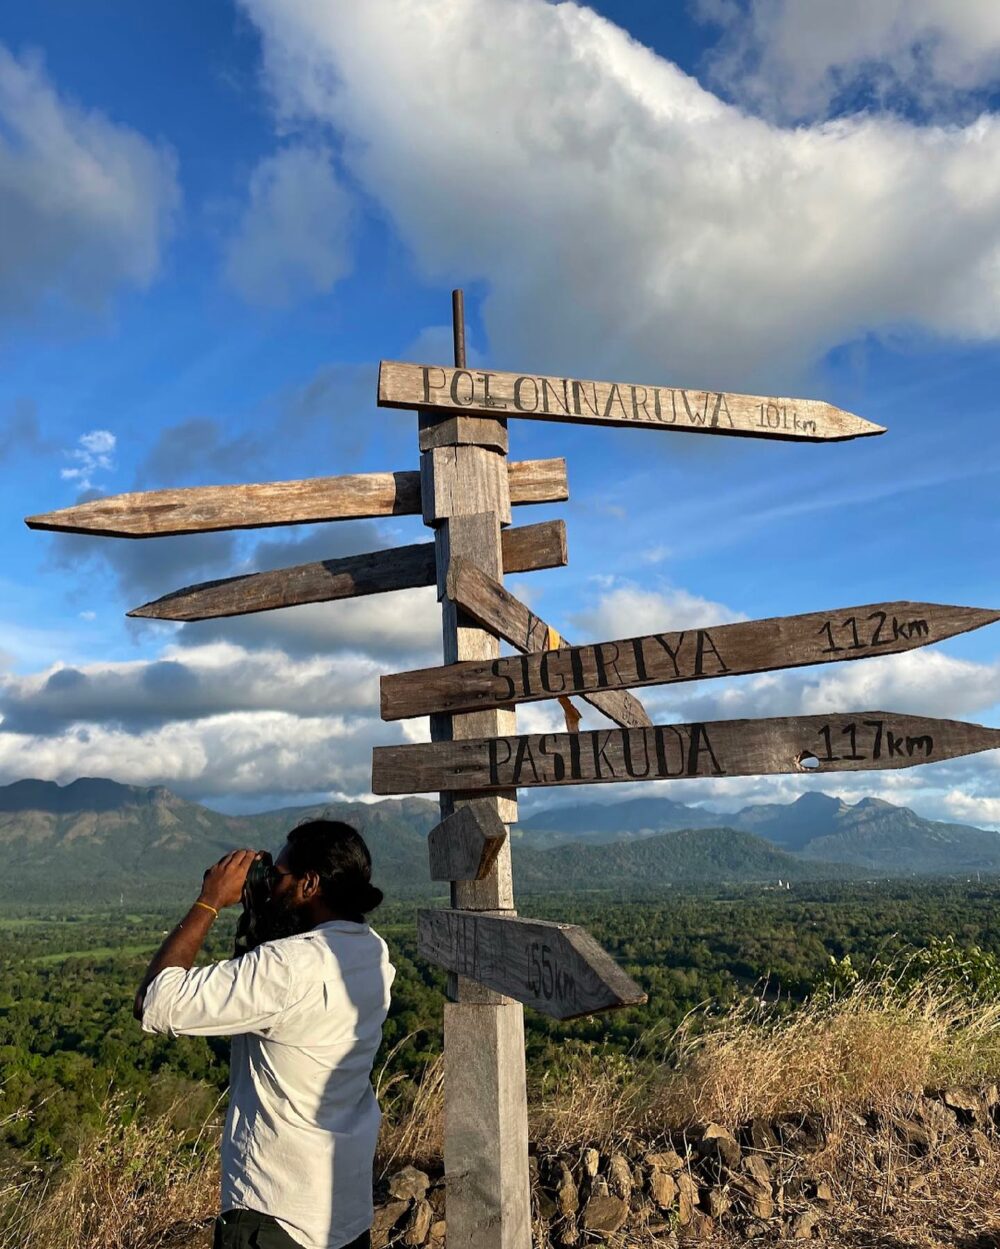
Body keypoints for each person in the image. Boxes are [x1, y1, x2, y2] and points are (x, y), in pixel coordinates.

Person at [134, 820, 395, 1249]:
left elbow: (155, 1001)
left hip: (275, 1217)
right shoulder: (373, 952)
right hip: (344, 1213)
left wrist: (209, 901)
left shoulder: (286, 967)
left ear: (309, 884)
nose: (268, 883)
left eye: (278, 876)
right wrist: (264, 909)